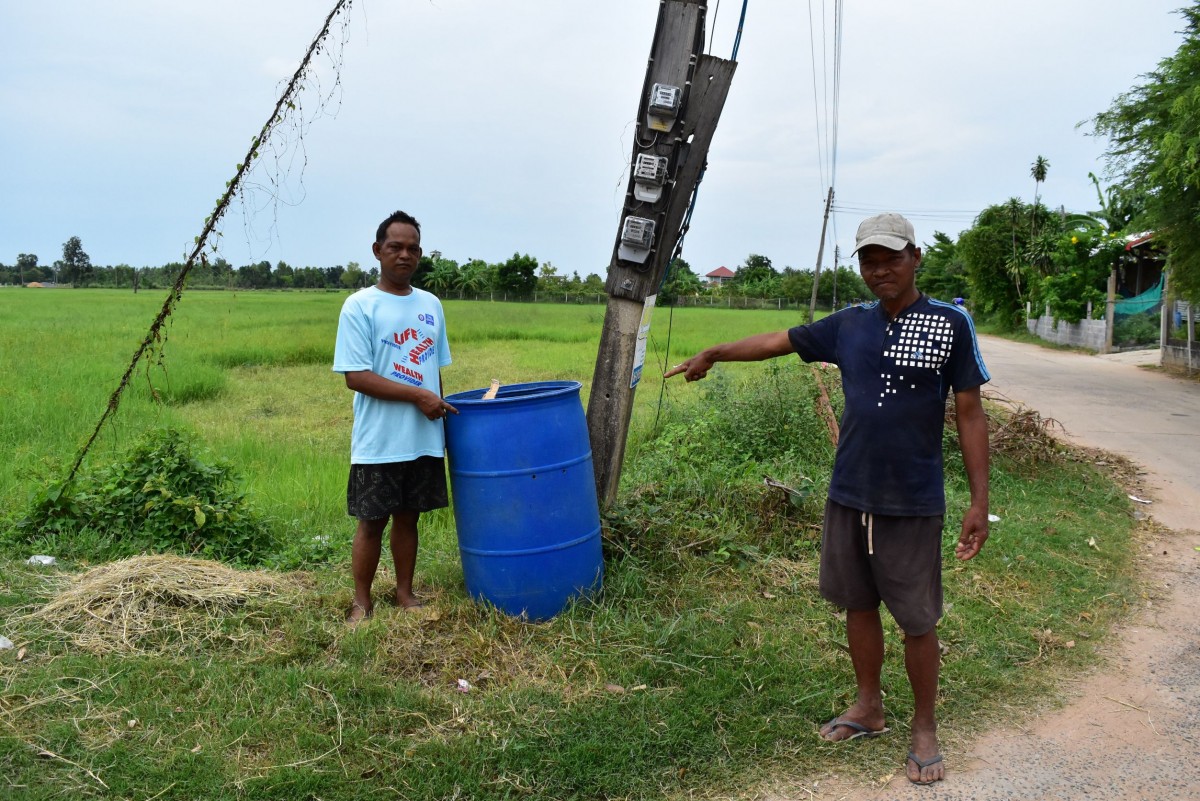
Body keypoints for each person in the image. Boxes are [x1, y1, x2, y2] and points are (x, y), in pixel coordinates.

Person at [665, 212, 990, 786]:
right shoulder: (848, 325)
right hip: (850, 492)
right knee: (858, 604)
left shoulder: (950, 324)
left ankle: (924, 728)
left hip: (913, 498)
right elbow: (778, 341)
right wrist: (714, 352)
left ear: (916, 257)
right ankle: (869, 706)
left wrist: (977, 501)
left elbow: (969, 411)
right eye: (869, 260)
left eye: (891, 257)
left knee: (917, 619)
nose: (880, 270)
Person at [332, 210, 457, 624]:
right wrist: (419, 396)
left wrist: (436, 406)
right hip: (378, 439)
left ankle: (405, 593)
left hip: (421, 436)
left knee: (409, 518)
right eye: (395, 247)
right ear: (377, 251)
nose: (405, 255)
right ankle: (361, 602)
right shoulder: (360, 306)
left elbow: (433, 371)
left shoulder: (431, 305)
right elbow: (356, 376)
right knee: (371, 522)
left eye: (412, 249)